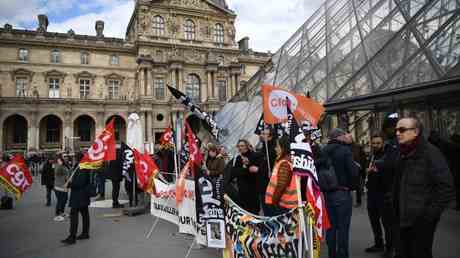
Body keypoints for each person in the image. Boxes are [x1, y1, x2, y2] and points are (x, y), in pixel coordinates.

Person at [389, 117, 455, 258]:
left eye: (402, 130)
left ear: (415, 132)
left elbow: (446, 187)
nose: (397, 133)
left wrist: (429, 216)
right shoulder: (403, 152)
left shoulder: (431, 153)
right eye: (396, 130)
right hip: (402, 219)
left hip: (421, 222)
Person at [322, 128, 355, 258]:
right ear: (339, 137)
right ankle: (343, 255)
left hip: (327, 194)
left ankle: (332, 255)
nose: (346, 137)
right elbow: (353, 172)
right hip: (342, 193)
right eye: (344, 135)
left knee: (331, 227)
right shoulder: (345, 150)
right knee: (343, 228)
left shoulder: (323, 151)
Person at [364, 134, 391, 253]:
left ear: (382, 143)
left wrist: (377, 170)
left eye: (378, 143)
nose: (375, 145)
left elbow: (389, 172)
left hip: (383, 194)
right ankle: (378, 244)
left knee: (387, 223)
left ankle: (390, 248)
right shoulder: (372, 155)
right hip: (371, 194)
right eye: (373, 143)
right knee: (374, 221)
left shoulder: (386, 156)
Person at [265, 136, 297, 216]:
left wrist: (274, 201)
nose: (275, 149)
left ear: (283, 148)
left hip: (284, 205)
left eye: (277, 146)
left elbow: (281, 185)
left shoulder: (285, 163)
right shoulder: (283, 160)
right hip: (285, 204)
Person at [61, 164, 91, 245]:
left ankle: (72, 237)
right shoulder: (82, 167)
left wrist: (69, 184)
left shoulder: (82, 167)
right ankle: (85, 233)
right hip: (82, 196)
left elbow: (79, 183)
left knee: (74, 215)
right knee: (85, 215)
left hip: (79, 196)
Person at [229, 139, 261, 214]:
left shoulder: (254, 155)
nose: (240, 148)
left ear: (247, 146)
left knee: (255, 211)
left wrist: (248, 164)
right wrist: (244, 169)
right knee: (245, 211)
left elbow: (254, 170)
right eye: (239, 146)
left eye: (242, 146)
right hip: (242, 190)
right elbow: (235, 172)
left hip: (253, 189)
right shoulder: (238, 158)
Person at [255, 128, 277, 216]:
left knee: (271, 210)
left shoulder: (272, 150)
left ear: (270, 137)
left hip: (270, 185)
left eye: (264, 134)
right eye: (262, 133)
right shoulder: (263, 148)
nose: (261, 135)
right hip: (262, 186)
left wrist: (258, 169)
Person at [53, 156, 69, 222]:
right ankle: (57, 213)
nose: (66, 159)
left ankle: (62, 212)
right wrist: (60, 164)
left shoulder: (66, 166)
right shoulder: (57, 166)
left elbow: (67, 174)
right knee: (60, 200)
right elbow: (57, 172)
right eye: (64, 159)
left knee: (64, 200)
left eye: (66, 158)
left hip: (65, 186)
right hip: (59, 186)